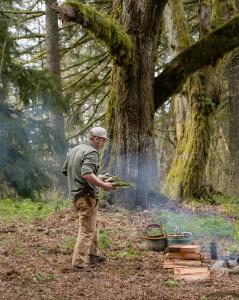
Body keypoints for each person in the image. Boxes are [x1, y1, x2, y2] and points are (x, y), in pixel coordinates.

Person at [62, 127, 114, 271]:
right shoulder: (92, 152)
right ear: (96, 139)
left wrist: (93, 179)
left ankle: (94, 255)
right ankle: (78, 263)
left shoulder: (75, 149)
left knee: (92, 225)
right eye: (103, 140)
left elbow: (66, 170)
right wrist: (103, 184)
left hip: (77, 195)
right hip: (86, 196)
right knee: (86, 230)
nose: (103, 143)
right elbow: (86, 174)